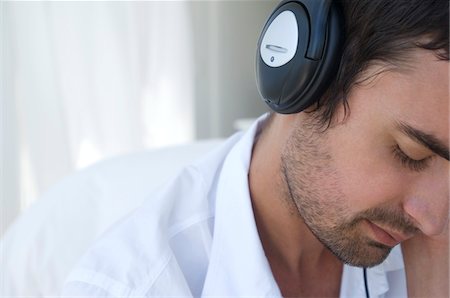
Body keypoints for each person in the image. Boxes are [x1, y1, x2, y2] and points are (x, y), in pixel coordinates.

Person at [62, 0, 449, 297]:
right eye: (410, 153)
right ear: (307, 76)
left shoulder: (433, 245)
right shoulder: (131, 286)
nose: (433, 221)